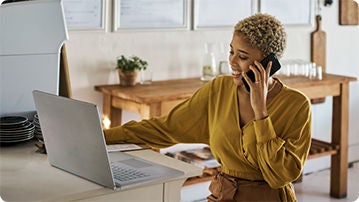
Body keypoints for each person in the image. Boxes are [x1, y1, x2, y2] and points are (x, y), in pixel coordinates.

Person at [104, 13, 312, 202]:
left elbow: (281, 175)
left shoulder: (296, 105)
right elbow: (163, 128)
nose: (232, 61)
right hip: (222, 196)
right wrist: (102, 136)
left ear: (269, 62)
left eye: (242, 57)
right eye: (231, 52)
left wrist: (261, 114)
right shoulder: (219, 90)